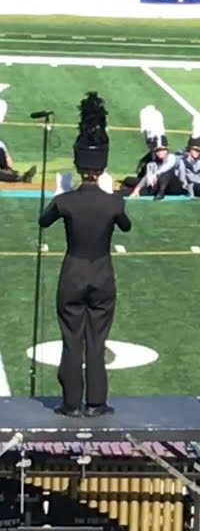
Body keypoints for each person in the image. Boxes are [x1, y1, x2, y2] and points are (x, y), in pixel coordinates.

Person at [38, 92, 132, 418]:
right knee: (97, 339)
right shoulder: (114, 202)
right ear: (102, 166)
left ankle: (69, 402)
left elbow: (43, 221)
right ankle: (96, 402)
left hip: (73, 273)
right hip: (103, 274)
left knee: (71, 337)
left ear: (78, 166)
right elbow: (126, 226)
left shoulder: (65, 201)